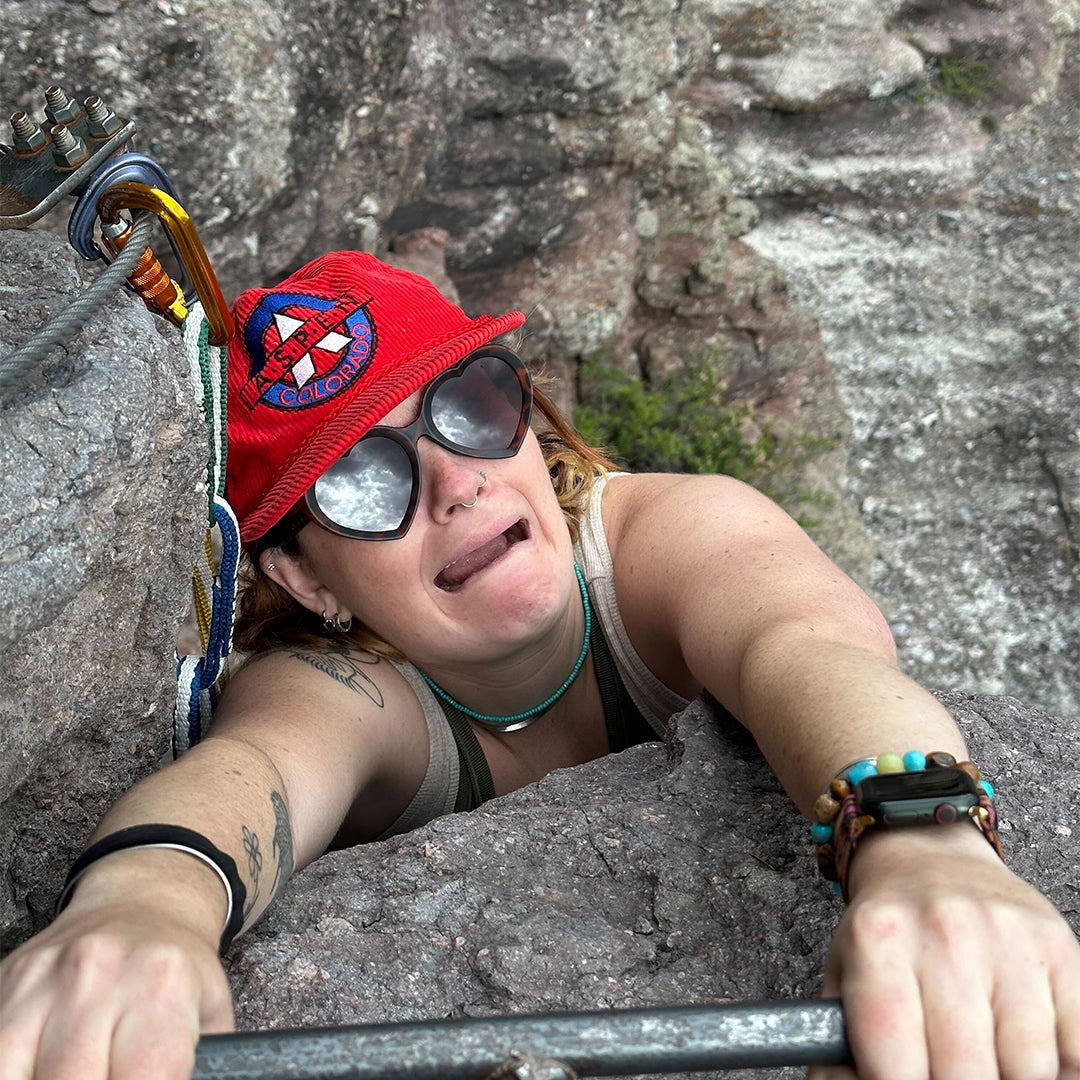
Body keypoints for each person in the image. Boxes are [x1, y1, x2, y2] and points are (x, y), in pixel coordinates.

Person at [0, 251, 1076, 1080]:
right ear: (312, 583)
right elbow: (262, 770)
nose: (457, 488)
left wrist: (922, 843)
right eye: (365, 483)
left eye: (469, 410)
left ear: (529, 421)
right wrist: (139, 908)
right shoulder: (349, 682)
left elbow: (801, 647)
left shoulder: (673, 539)